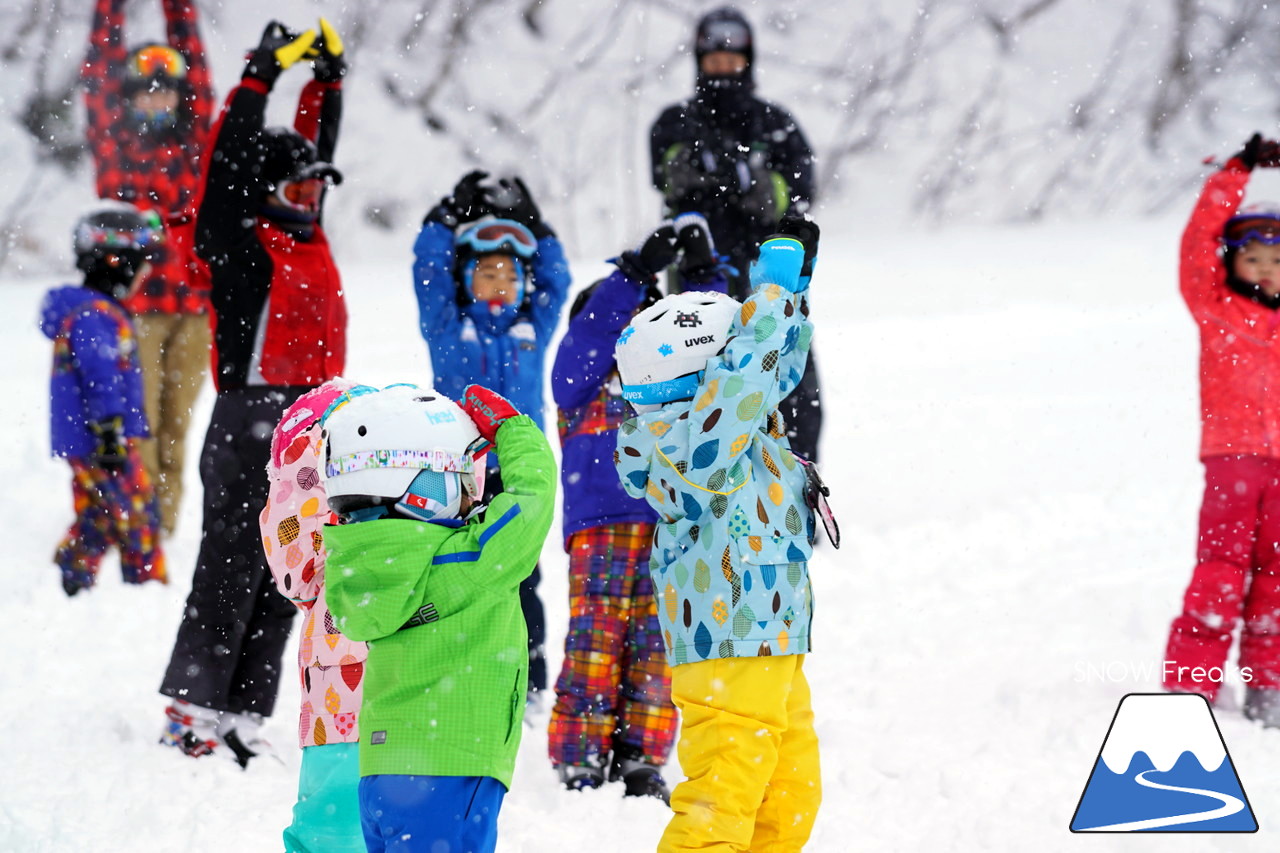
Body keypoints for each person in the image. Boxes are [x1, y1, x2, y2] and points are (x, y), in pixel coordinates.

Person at [159, 19, 349, 764]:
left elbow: (315, 151)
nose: (308, 196)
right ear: (265, 194)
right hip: (251, 420)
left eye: (313, 188)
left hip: (315, 425)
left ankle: (242, 708)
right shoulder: (239, 243)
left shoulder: (308, 233)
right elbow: (229, 170)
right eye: (294, 187)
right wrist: (257, 80)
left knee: (289, 571)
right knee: (231, 564)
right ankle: (191, 705)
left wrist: (327, 83)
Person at [614, 216, 823, 851]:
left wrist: (791, 298)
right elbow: (744, 380)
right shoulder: (688, 442)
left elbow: (769, 373)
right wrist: (768, 297)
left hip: (772, 636)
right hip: (729, 644)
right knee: (720, 807)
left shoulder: (733, 422)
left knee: (788, 797)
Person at [322, 383, 556, 853]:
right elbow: (534, 494)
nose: (473, 496)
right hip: (451, 764)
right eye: (462, 480)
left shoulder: (354, 563)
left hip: (382, 772)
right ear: (424, 488)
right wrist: (514, 429)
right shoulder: (472, 562)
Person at [546, 214, 725, 798]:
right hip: (602, 527)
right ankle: (580, 755)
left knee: (659, 645)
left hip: (673, 524)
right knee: (595, 641)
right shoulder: (582, 382)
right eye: (623, 320)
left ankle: (642, 756)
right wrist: (635, 274)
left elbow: (708, 339)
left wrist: (702, 278)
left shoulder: (670, 380)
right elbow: (591, 337)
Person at [412, 172, 571, 702]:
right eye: (486, 272)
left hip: (518, 475)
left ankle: (529, 679)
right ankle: (459, 671)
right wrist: (443, 216)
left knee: (522, 574)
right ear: (466, 282)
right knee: (458, 569)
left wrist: (536, 223)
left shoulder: (533, 330)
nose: (499, 282)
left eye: (509, 273)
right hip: (459, 474)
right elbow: (427, 273)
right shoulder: (448, 328)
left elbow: (559, 279)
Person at [649, 5, 823, 464]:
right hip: (699, 271)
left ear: (749, 59)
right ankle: (703, 478)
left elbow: (803, 192)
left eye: (733, 58)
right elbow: (663, 177)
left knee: (788, 372)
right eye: (714, 58)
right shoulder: (676, 122)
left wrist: (762, 186)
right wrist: (693, 171)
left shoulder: (773, 123)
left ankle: (795, 474)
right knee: (698, 373)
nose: (724, 67)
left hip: (767, 268)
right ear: (700, 61)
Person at [83, 0, 217, 536]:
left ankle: (162, 523)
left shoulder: (194, 146)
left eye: (166, 89)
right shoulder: (116, 149)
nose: (157, 98)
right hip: (134, 310)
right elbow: (98, 71)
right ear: (131, 98)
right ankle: (134, 515)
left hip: (194, 309)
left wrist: (177, 8)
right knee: (137, 420)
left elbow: (200, 72)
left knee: (176, 426)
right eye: (147, 90)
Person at [1164, 132, 1280, 727]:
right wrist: (1236, 173)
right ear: (1233, 263)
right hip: (1234, 459)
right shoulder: (1217, 308)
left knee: (1278, 580)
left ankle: (1271, 685)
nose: (1265, 271)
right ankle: (1192, 686)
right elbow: (1195, 245)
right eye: (1253, 259)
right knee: (1221, 572)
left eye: (1277, 261)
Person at [261, 380, 367, 851]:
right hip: (423, 710)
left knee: (331, 830)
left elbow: (295, 574)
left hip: (338, 698)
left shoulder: (306, 449)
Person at [40, 205, 168, 596]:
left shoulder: (90, 311)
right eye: (139, 266)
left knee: (99, 511)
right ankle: (145, 590)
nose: (142, 276)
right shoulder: (95, 316)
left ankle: (72, 576)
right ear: (117, 263)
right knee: (138, 513)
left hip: (89, 437)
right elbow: (100, 377)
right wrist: (110, 431)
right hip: (102, 437)